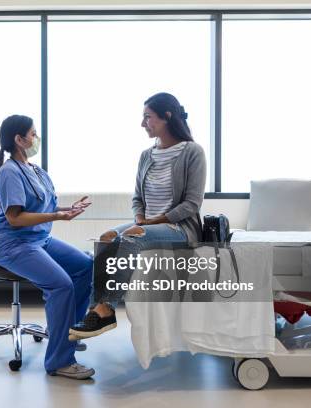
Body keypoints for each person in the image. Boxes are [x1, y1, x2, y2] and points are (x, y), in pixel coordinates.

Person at [69, 92, 207, 340]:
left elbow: (192, 204)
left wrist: (153, 221)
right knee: (107, 237)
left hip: (179, 228)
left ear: (167, 116)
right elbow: (137, 198)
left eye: (148, 117)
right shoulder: (146, 155)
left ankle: (106, 308)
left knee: (134, 236)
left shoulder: (193, 152)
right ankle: (97, 305)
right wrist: (140, 215)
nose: (143, 124)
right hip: (147, 223)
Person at [0, 114, 95, 380]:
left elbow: (44, 207)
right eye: (33, 134)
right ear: (19, 139)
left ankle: (68, 334)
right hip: (13, 244)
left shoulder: (35, 170)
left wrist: (67, 209)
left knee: (86, 266)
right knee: (62, 285)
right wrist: (57, 217)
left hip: (39, 240)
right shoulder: (9, 172)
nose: (37, 139)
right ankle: (59, 361)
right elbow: (15, 218)